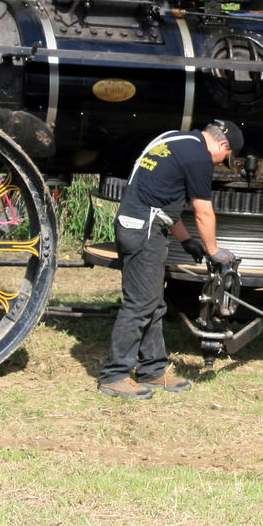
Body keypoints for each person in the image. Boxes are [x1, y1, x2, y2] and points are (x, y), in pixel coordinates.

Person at [98, 119, 242, 400]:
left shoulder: (174, 140)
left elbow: (161, 203)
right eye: (224, 158)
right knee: (140, 303)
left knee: (153, 301)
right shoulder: (199, 157)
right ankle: (114, 376)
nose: (218, 163)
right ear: (224, 144)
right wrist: (214, 251)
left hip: (139, 223)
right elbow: (204, 212)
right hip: (144, 230)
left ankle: (152, 369)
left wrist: (186, 240)